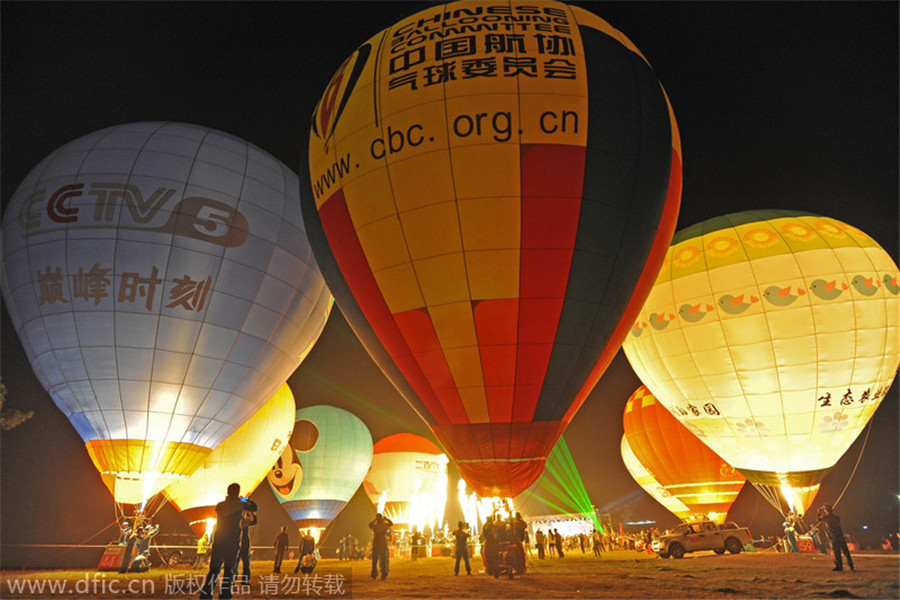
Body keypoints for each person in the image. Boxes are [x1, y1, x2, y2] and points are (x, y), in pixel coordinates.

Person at [199, 483, 257, 600]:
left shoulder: (220, 505)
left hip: (219, 541)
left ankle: (206, 595)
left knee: (214, 570)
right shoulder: (240, 504)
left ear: (228, 491)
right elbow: (254, 507)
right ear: (237, 492)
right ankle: (224, 596)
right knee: (228, 571)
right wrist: (245, 500)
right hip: (232, 543)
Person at [816, 504, 854, 572]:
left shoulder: (826, 517)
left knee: (836, 552)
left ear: (825, 510)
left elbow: (818, 520)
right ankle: (851, 565)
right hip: (840, 536)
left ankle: (839, 566)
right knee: (846, 552)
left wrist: (818, 513)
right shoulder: (837, 518)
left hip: (833, 537)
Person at [237, 504, 257, 586]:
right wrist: (252, 514)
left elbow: (254, 522)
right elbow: (255, 522)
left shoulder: (237, 522)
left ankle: (231, 580)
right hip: (244, 545)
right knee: (246, 564)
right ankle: (244, 580)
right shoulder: (245, 523)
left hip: (237, 544)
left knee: (235, 564)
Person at [369, 513, 393, 580]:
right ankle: (384, 574)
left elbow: (369, 525)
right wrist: (386, 519)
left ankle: (374, 574)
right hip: (383, 542)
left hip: (376, 542)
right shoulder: (384, 525)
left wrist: (375, 520)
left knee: (375, 560)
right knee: (383, 559)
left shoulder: (375, 526)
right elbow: (391, 523)